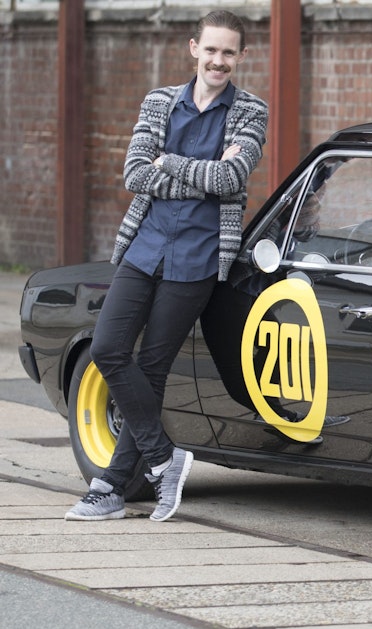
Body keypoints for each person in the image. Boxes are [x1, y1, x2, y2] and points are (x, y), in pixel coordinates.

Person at [65, 10, 268, 522]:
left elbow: (230, 179)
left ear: (241, 56)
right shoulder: (159, 102)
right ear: (194, 47)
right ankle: (162, 457)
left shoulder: (250, 111)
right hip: (144, 248)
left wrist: (171, 162)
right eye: (211, 49)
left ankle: (110, 487)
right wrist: (198, 175)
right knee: (108, 348)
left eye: (229, 52)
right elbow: (135, 174)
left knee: (153, 368)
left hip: (198, 258)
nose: (218, 60)